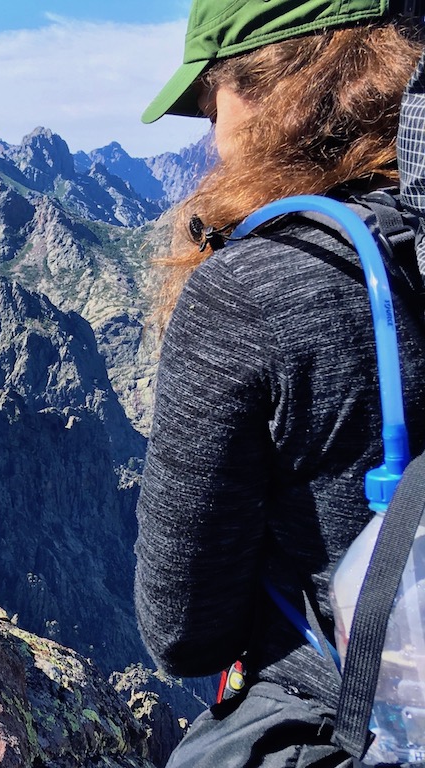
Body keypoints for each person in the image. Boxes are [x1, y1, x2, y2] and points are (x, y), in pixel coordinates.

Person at [135, 1, 425, 765]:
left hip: (352, 725)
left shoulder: (249, 291)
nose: (211, 137)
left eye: (208, 103)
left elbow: (182, 630)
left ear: (270, 82)